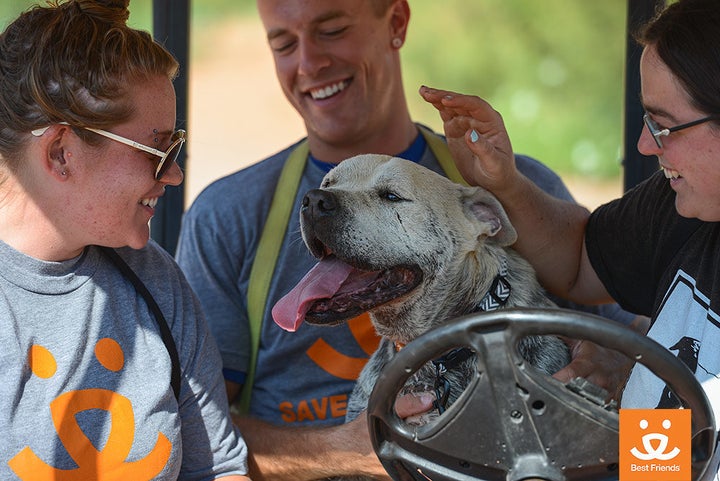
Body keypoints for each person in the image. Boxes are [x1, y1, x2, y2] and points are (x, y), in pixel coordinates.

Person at [175, 0, 637, 479]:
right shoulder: (227, 214)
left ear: (396, 22)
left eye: (331, 30)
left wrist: (621, 367)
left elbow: (655, 345)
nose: (309, 63)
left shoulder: (515, 187)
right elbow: (193, 435)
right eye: (283, 43)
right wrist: (346, 450)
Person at [420, 0, 720, 476]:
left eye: (663, 126)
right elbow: (581, 261)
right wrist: (503, 183)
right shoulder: (683, 205)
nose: (645, 146)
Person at [0, 1, 250, 479]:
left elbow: (218, 469)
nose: (174, 174)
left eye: (174, 148)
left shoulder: (154, 280)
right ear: (61, 153)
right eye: (157, 150)